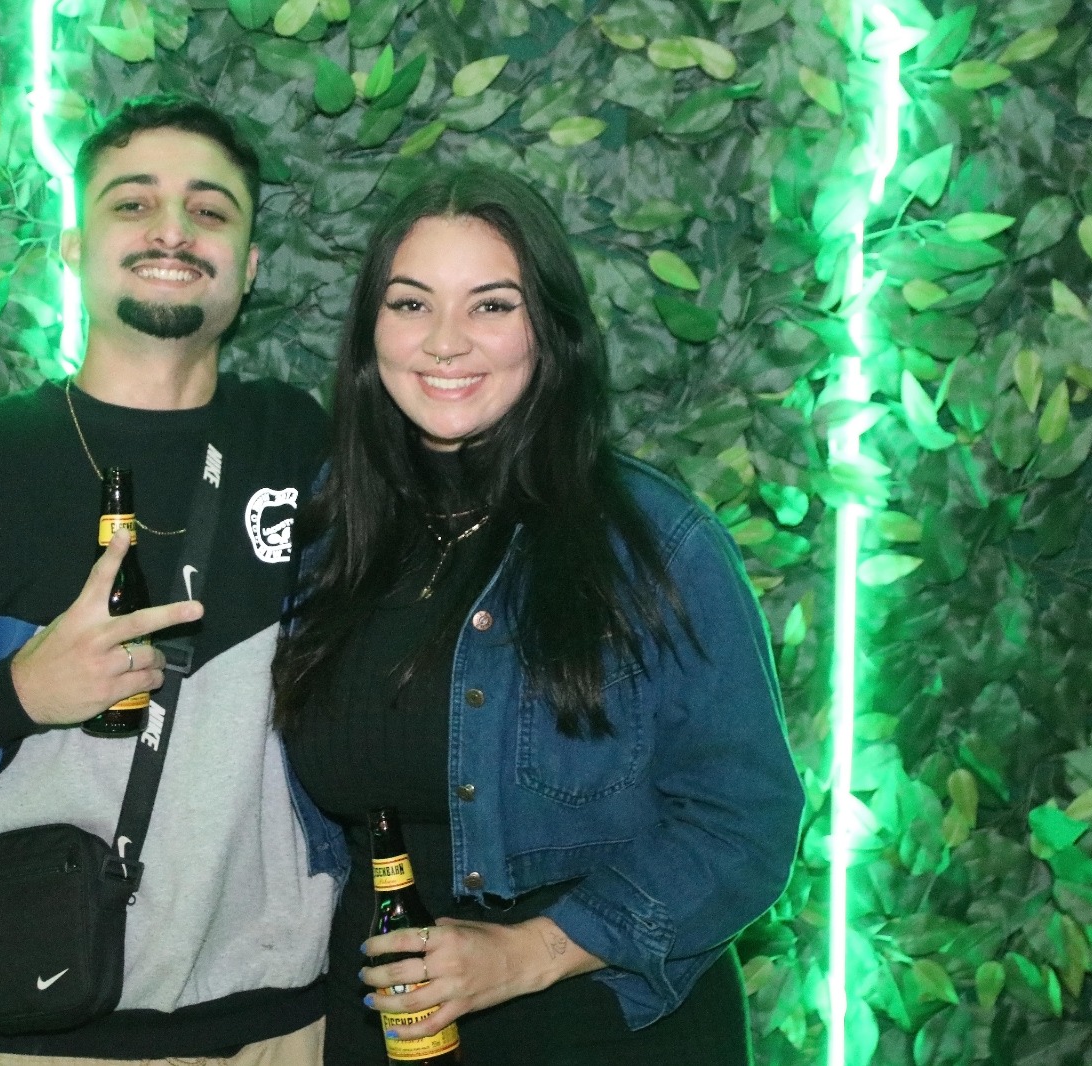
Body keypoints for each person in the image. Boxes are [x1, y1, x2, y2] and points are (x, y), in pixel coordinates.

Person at [0, 95, 336, 1064]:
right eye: (133, 203)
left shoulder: (302, 441)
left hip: (284, 1025)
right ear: (74, 248)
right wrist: (17, 693)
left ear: (249, 266)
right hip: (43, 1026)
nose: (172, 228)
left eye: (210, 209)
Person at [273, 165, 804, 1065]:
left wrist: (527, 954)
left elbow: (744, 822)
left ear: (549, 330)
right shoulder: (329, 532)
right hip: (377, 1029)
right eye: (411, 304)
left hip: (600, 1031)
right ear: (371, 332)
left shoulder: (654, 543)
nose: (445, 342)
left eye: (491, 305)